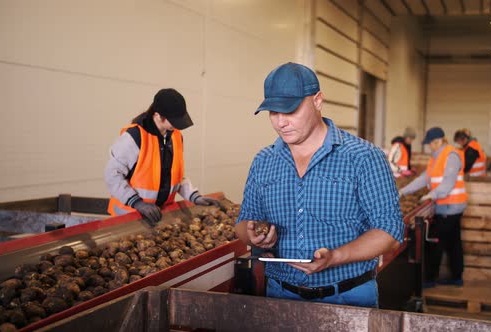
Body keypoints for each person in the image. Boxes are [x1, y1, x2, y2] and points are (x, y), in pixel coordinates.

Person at [235, 62, 404, 308]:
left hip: (349, 296)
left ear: (317, 100)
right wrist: (252, 234)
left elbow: (389, 231)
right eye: (273, 112)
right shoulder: (264, 161)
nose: (281, 122)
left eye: (290, 111)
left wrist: (335, 257)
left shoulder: (363, 157)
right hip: (280, 296)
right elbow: (244, 220)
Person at [105, 88, 219, 224]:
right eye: (174, 121)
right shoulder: (134, 137)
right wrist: (137, 203)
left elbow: (175, 176)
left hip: (157, 217)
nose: (177, 126)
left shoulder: (175, 136)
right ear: (158, 116)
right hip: (129, 217)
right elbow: (112, 175)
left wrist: (193, 196)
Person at [399, 127, 467, 287]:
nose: (429, 147)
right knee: (453, 243)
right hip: (445, 207)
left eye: (430, 144)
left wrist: (431, 195)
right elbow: (424, 179)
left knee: (435, 243)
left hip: (451, 208)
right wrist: (403, 192)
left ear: (438, 141)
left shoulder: (451, 155)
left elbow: (448, 184)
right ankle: (457, 277)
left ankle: (430, 279)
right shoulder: (435, 157)